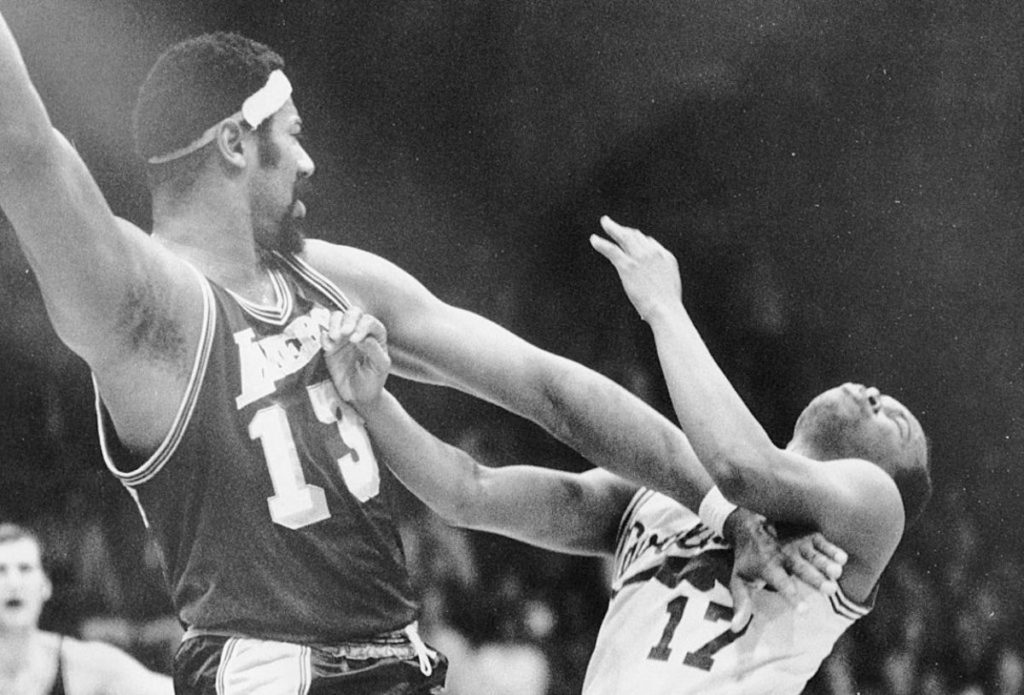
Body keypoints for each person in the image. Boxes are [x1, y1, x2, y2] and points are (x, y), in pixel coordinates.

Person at [0, 14, 841, 694]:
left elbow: (546, 387)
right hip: (269, 671)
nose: (308, 159)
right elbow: (27, 149)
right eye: (290, 136)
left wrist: (723, 504)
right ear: (233, 144)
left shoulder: (330, 278)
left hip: (397, 663)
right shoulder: (145, 303)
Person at [319, 219, 930, 695]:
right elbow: (467, 492)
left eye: (898, 423)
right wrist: (374, 403)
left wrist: (664, 306)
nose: (877, 395)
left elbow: (741, 466)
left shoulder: (867, 514)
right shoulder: (662, 494)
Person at [0, 523, 173, 695]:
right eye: (1, 571)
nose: (14, 583)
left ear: (45, 585)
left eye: (25, 569)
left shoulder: (83, 666)